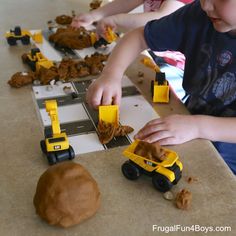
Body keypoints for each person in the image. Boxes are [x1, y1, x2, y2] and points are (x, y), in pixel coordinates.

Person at [86, 0, 236, 174]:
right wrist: (111, 74)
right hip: (189, 118)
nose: (206, 5)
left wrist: (198, 127)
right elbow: (139, 37)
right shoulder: (200, 15)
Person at [71, 0, 193, 36]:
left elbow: (161, 19)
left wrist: (116, 20)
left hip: (173, 57)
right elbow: (125, 3)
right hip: (150, 42)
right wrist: (95, 15)